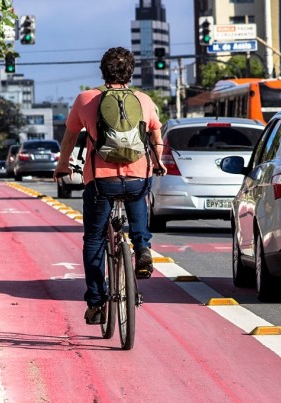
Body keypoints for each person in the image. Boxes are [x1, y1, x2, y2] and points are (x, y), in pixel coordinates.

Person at [54, 47, 166, 324]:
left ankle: (95, 303)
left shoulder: (86, 99)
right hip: (137, 177)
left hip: (101, 180)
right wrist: (159, 161)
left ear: (103, 71)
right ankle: (142, 248)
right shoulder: (143, 100)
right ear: (131, 72)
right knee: (138, 204)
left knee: (93, 239)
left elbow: (69, 139)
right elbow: (156, 135)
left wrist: (63, 165)